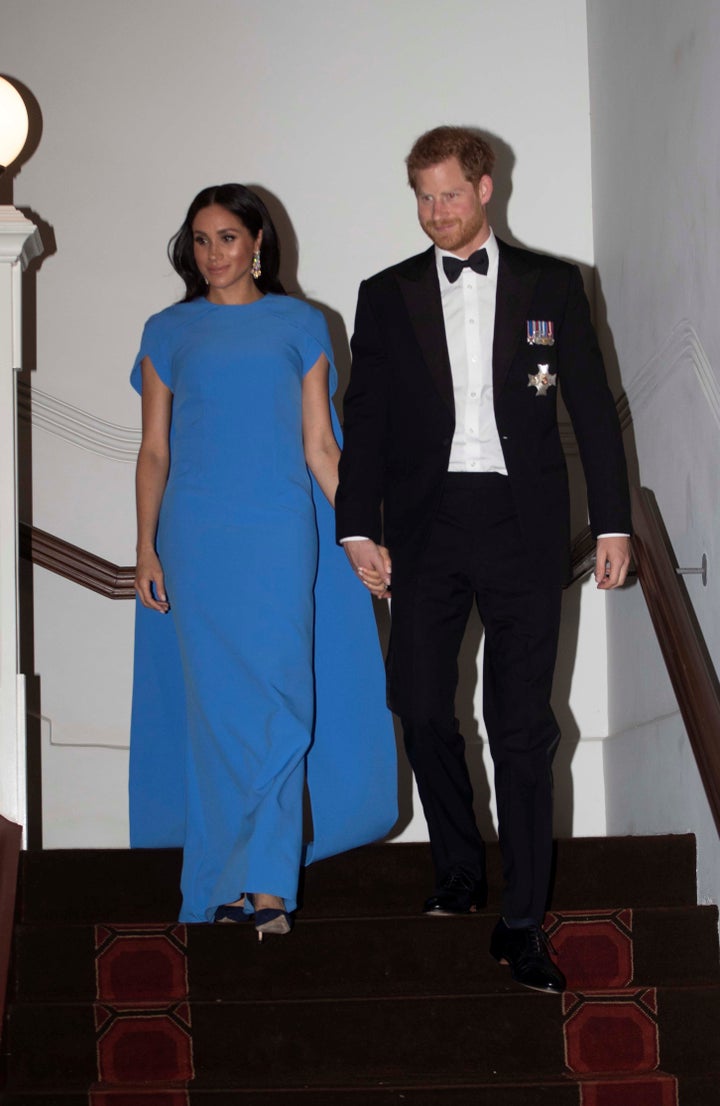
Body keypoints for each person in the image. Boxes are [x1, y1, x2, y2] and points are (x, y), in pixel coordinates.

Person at [336, 127, 631, 993]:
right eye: (423, 198)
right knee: (419, 704)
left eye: (450, 195)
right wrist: (358, 525)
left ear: (486, 187)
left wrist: (612, 522)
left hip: (523, 527)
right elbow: (369, 419)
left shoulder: (553, 285)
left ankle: (522, 921)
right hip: (425, 528)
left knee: (521, 728)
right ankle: (460, 866)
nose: (437, 214)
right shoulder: (385, 294)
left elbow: (594, 410)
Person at [130, 183, 396, 936]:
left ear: (258, 245)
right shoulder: (166, 331)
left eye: (227, 238)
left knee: (283, 708)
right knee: (217, 717)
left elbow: (321, 447)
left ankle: (271, 883)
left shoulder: (300, 323)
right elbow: (154, 449)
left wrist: (364, 533)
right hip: (197, 539)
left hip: (279, 533)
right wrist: (145, 543)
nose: (212, 254)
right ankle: (221, 883)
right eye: (201, 241)